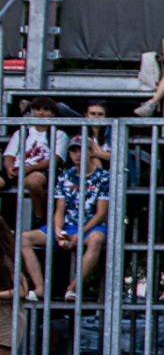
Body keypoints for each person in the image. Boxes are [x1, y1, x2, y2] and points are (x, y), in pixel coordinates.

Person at [21, 125, 108, 301]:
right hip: (67, 226)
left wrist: (79, 234)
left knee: (96, 240)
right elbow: (59, 210)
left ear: (91, 152)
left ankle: (72, 288)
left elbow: (101, 213)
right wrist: (58, 230)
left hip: (91, 227)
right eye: (73, 150)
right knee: (24, 238)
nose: (77, 154)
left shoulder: (104, 177)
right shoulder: (64, 176)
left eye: (81, 150)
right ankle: (40, 288)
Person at [3, 98, 68, 225]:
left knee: (32, 182)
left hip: (42, 170)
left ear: (53, 113)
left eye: (46, 110)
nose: (41, 113)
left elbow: (55, 160)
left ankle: (40, 220)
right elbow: (9, 156)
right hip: (17, 169)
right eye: (37, 109)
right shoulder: (22, 132)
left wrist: (28, 169)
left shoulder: (59, 134)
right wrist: (9, 168)